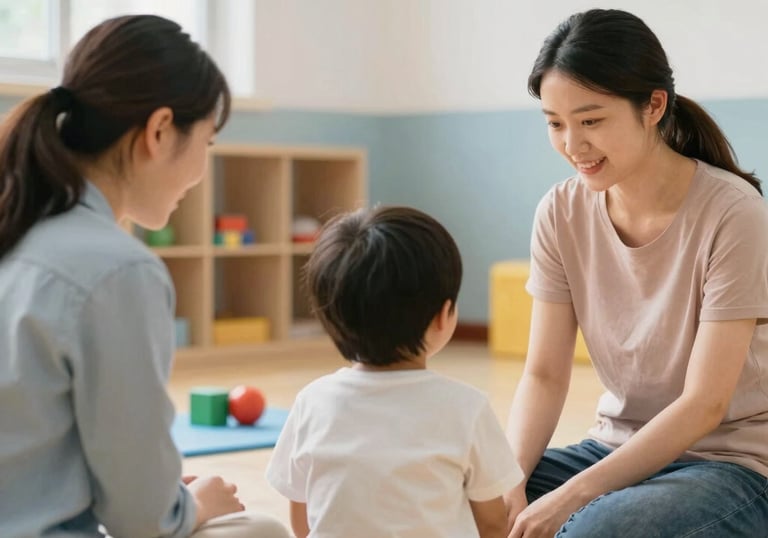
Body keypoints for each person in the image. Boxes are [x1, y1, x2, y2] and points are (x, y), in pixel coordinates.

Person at [0, 14, 290, 538]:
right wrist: (191, 505)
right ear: (159, 131)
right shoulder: (118, 269)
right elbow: (142, 522)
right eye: (207, 143)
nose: (202, 170)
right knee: (260, 529)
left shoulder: (18, 226)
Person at [504, 8, 768, 538]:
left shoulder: (733, 213)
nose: (573, 146)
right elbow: (544, 375)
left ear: (653, 106)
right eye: (556, 124)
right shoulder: (559, 213)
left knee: (590, 530)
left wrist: (572, 498)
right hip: (616, 448)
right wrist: (505, 480)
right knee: (458, 499)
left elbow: (704, 405)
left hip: (730, 464)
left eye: (591, 121)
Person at [265, 206, 523, 537]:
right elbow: (491, 524)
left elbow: (302, 517)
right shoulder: (466, 407)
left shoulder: (311, 402)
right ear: (443, 316)